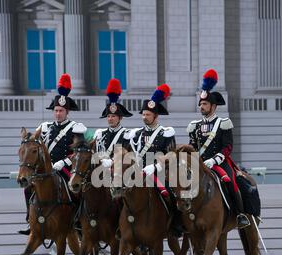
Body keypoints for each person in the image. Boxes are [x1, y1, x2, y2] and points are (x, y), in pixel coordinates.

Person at [18, 73, 87, 235]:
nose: (58, 114)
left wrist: (64, 163)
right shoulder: (44, 127)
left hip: (67, 168)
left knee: (76, 191)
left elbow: (80, 152)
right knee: (28, 188)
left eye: (61, 111)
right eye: (56, 110)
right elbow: (32, 143)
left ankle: (78, 221)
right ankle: (31, 220)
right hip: (46, 169)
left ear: (67, 111)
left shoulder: (76, 128)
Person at [187, 69, 250, 228]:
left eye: (205, 104)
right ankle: (181, 219)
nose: (202, 106)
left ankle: (240, 214)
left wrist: (215, 159)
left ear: (213, 106)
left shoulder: (223, 123)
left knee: (230, 181)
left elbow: (228, 147)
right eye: (201, 104)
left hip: (219, 163)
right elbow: (193, 146)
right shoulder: (194, 126)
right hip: (200, 163)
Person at [126, 84, 184, 238]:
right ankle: (122, 227)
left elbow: (171, 155)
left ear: (156, 116)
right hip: (139, 172)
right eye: (143, 114)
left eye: (148, 115)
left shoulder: (166, 133)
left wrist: (156, 166)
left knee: (171, 193)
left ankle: (176, 224)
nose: (144, 117)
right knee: (120, 193)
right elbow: (129, 154)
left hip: (160, 171)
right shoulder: (135, 135)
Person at [93, 78, 133, 168]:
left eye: (113, 116)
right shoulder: (100, 135)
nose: (110, 119)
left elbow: (128, 156)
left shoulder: (126, 135)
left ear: (120, 118)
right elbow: (94, 155)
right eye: (108, 116)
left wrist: (112, 161)